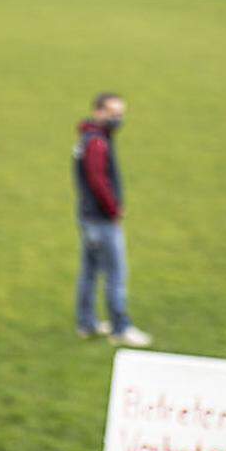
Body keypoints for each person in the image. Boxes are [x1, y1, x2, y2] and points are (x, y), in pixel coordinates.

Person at [73, 92, 152, 347]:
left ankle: (87, 323)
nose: (118, 119)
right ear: (98, 111)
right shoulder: (97, 143)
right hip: (101, 220)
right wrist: (114, 209)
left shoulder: (87, 139)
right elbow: (98, 181)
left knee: (90, 273)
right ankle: (120, 328)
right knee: (116, 274)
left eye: (120, 114)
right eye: (113, 113)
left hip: (87, 218)